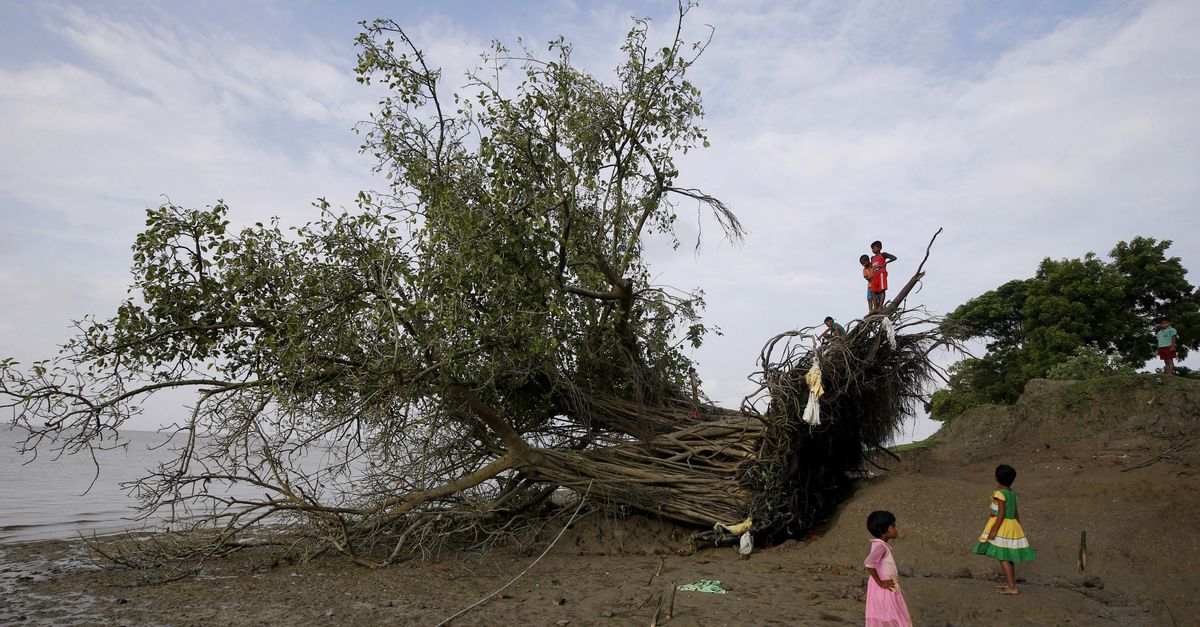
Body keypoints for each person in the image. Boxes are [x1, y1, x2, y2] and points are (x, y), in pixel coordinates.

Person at [971, 464, 1037, 595]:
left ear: (996, 478)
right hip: (1012, 526)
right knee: (1008, 555)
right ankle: (1011, 584)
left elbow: (1001, 513)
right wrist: (1018, 527)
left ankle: (1012, 588)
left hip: (1003, 526)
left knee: (1003, 557)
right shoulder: (1011, 494)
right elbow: (1016, 513)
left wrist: (995, 530)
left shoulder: (999, 493)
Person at [864, 510, 912, 627]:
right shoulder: (881, 546)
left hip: (883, 587)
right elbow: (869, 563)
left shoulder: (880, 545)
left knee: (889, 618)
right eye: (893, 526)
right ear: (883, 530)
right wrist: (881, 583)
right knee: (895, 618)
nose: (896, 529)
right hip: (885, 589)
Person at [869, 241, 897, 312]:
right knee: (873, 291)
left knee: (882, 290)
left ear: (879, 248)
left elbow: (894, 257)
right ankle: (875, 307)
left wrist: (886, 262)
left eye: (874, 248)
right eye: (872, 249)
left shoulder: (883, 254)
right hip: (874, 275)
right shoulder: (872, 258)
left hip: (881, 273)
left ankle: (880, 307)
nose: (873, 250)